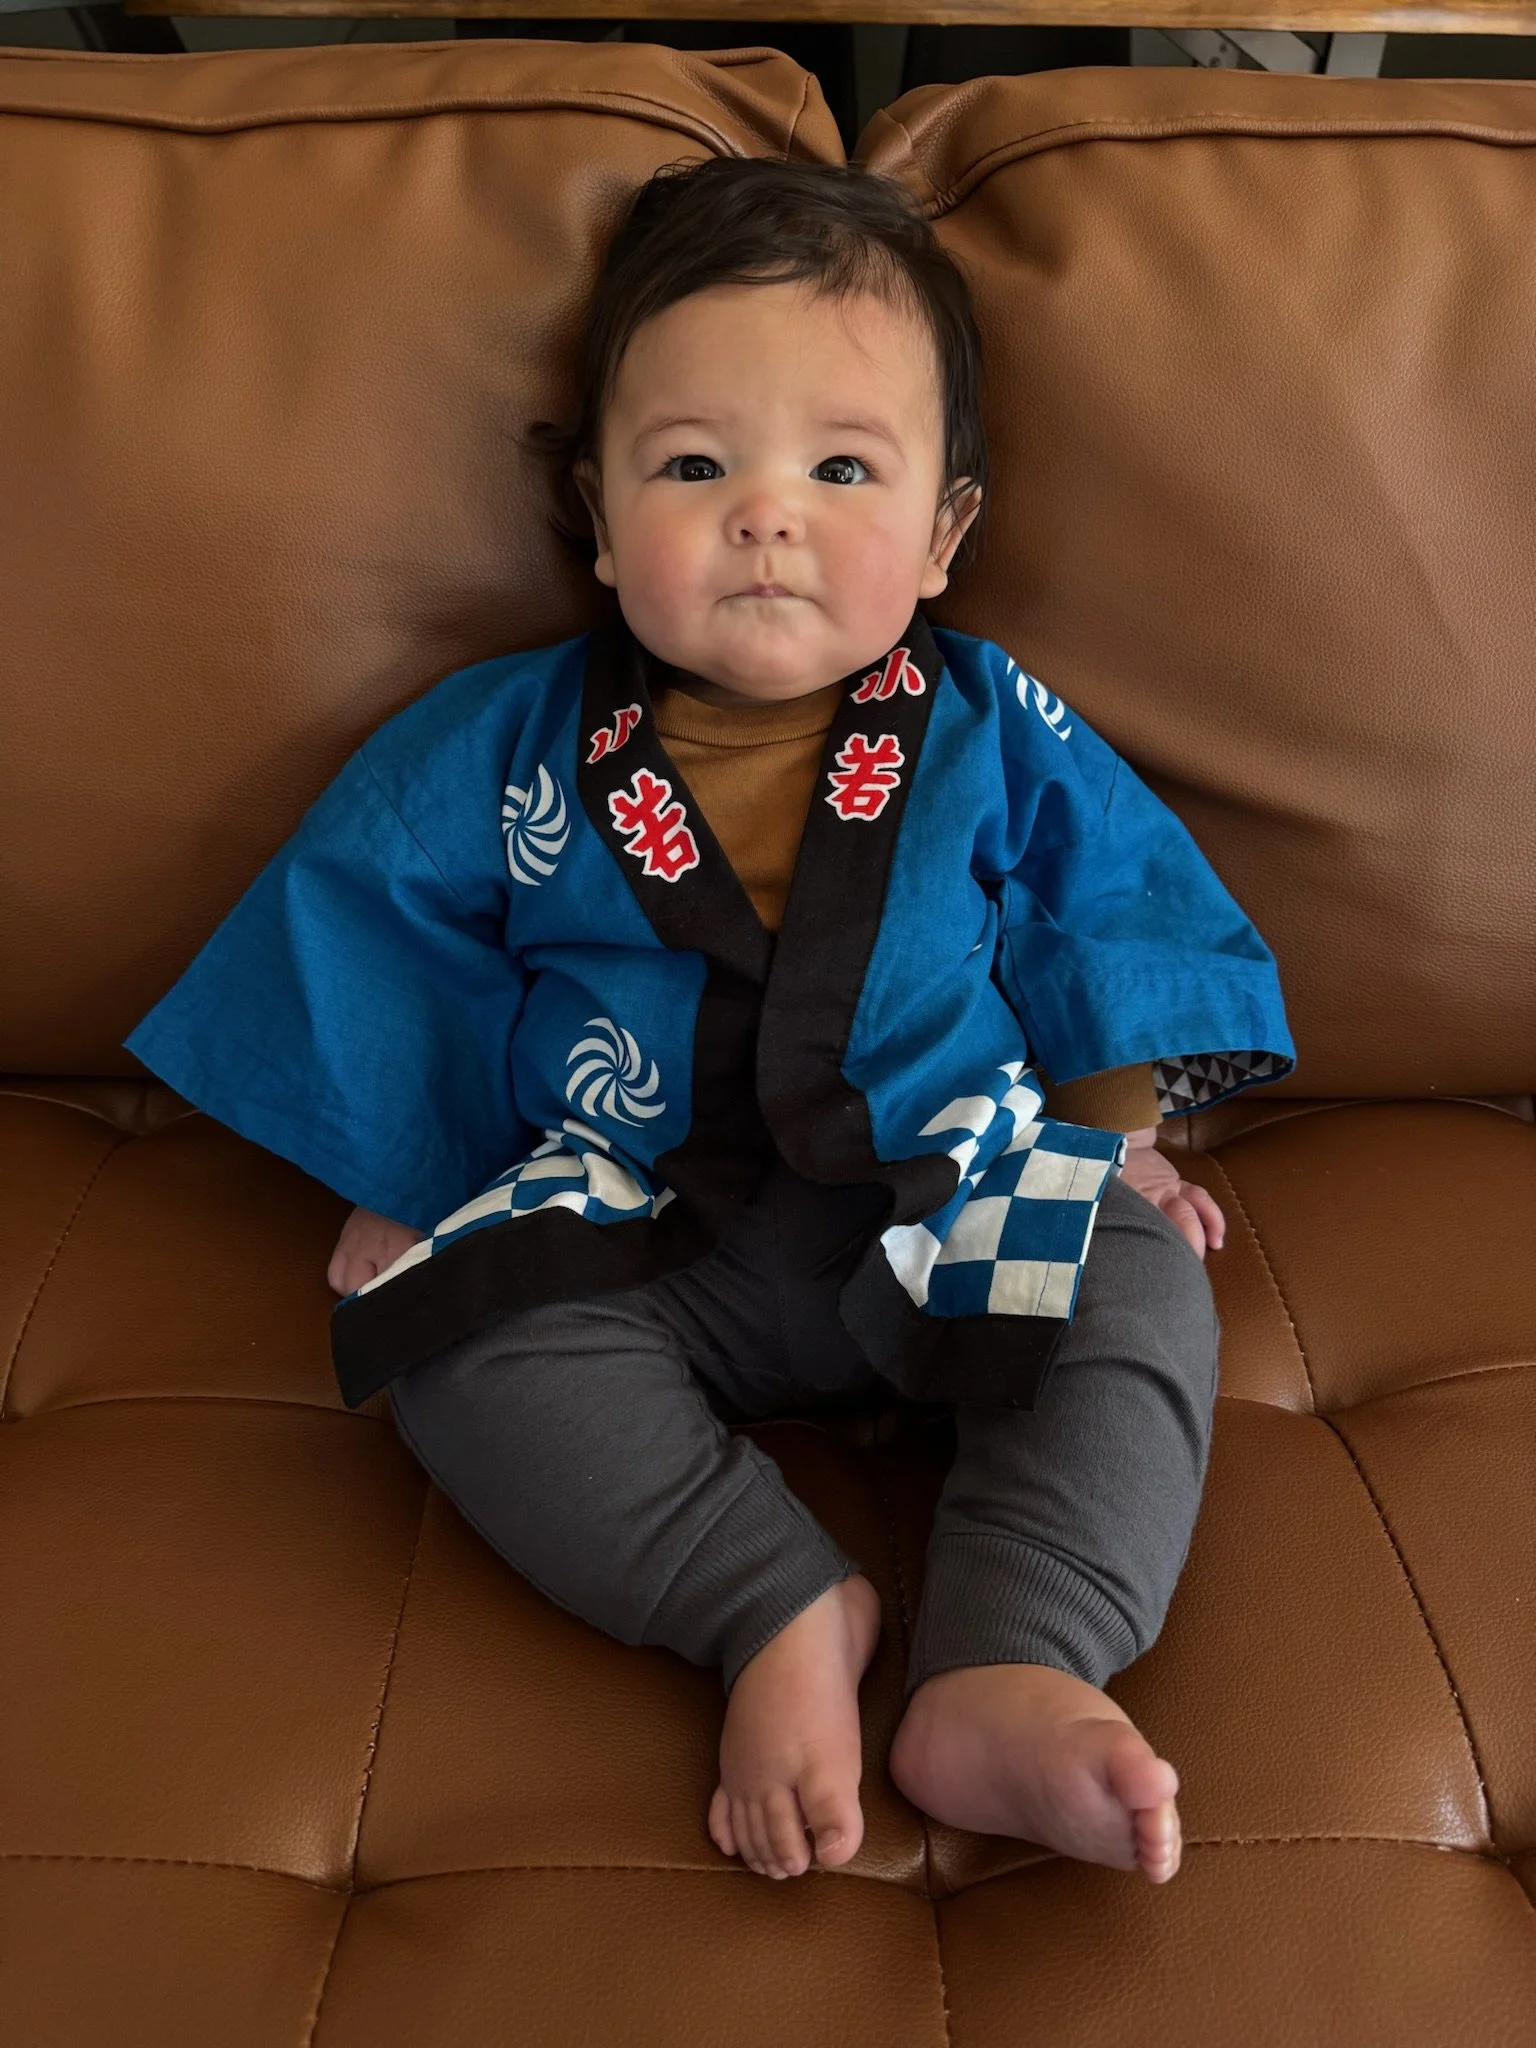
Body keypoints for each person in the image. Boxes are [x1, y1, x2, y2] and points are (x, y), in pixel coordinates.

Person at [125, 157, 1293, 1890]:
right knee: (445, 1332)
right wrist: (417, 1168)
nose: (767, 513)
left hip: (944, 1177)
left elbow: (1102, 900)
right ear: (597, 519)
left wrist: (1116, 1131)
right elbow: (374, 913)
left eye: (840, 468)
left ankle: (1015, 1654)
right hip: (639, 1215)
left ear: (946, 531)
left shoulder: (990, 724)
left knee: (1135, 1291)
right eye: (693, 466)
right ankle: (771, 1603)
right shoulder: (508, 742)